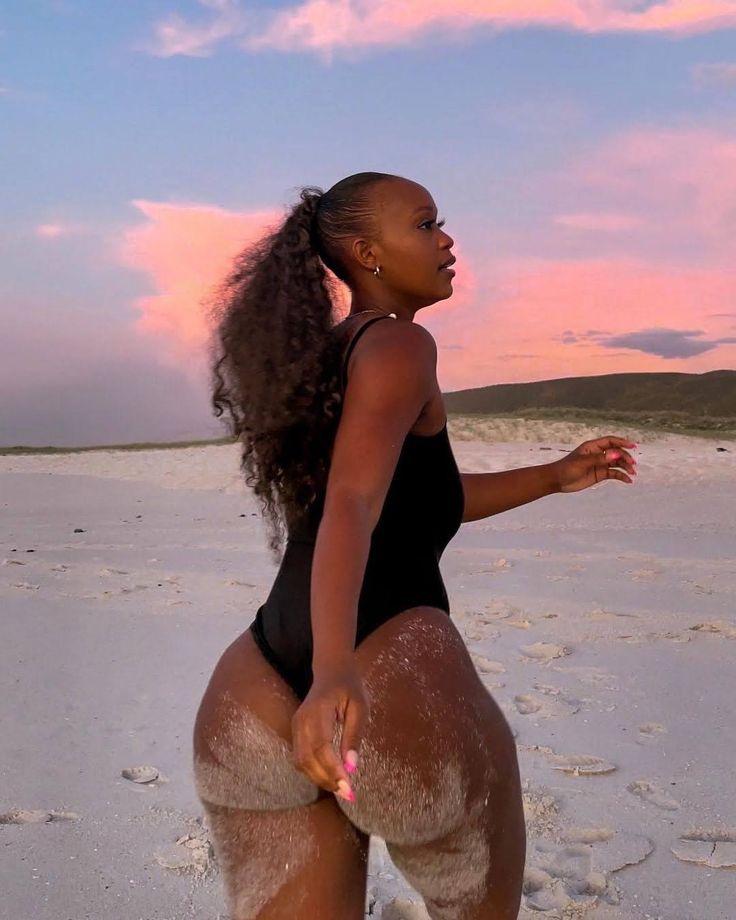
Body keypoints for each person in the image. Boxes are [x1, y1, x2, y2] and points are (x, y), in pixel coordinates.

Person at [191, 171, 638, 919]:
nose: (446, 239)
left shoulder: (328, 357)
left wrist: (557, 476)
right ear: (367, 252)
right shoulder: (401, 345)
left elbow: (420, 505)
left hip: (253, 686)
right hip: (381, 668)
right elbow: (354, 502)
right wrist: (335, 674)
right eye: (426, 224)